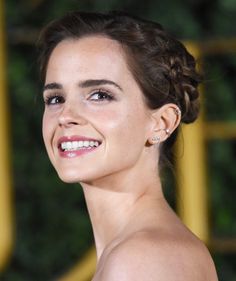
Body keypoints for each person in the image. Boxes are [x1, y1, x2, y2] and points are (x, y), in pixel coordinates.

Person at [38, 11, 218, 280]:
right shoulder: (141, 251)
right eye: (55, 98)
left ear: (162, 123)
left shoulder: (142, 259)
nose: (65, 116)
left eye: (100, 95)